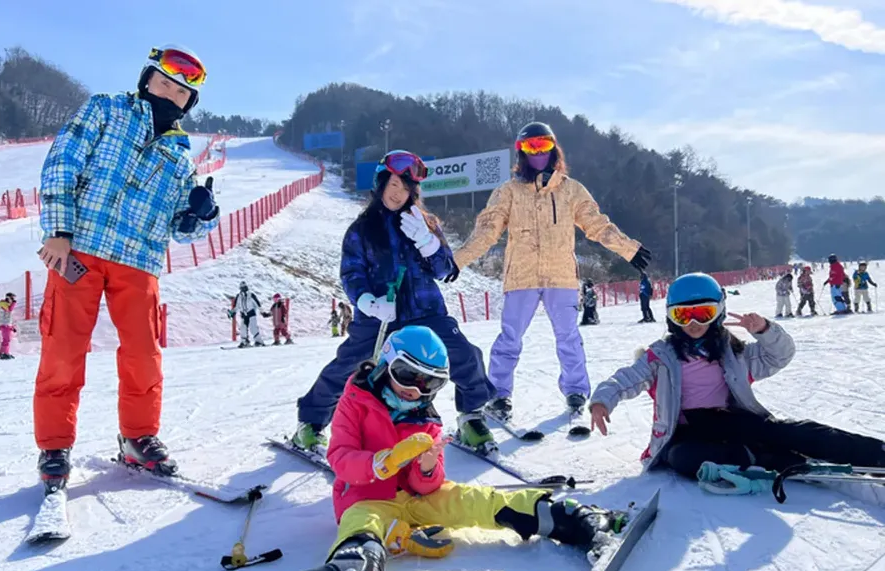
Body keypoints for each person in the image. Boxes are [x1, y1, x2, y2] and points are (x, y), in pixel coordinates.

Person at [273, 325, 631, 571]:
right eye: (407, 375)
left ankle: (565, 518)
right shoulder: (356, 400)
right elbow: (339, 456)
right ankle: (355, 563)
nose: (415, 389)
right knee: (360, 519)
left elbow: (426, 484)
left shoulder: (425, 419)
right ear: (386, 363)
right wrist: (380, 463)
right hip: (366, 498)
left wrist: (427, 468)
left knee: (471, 499)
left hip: (416, 501)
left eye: (429, 383)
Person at [33, 44, 217, 489]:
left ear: (187, 105)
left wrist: (199, 214)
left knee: (143, 355)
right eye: (164, 82)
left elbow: (180, 227)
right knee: (63, 349)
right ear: (146, 80)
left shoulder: (180, 158)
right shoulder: (106, 111)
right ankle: (54, 445)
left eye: (180, 93)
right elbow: (62, 163)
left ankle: (138, 437)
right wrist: (58, 229)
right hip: (81, 248)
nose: (169, 93)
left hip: (139, 261)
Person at [586, 272, 885, 480]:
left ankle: (875, 453)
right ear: (671, 317)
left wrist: (766, 331)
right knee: (682, 458)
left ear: (718, 312)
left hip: (732, 420)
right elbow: (625, 379)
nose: (692, 323)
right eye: (683, 315)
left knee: (793, 431)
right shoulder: (660, 356)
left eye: (702, 313)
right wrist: (602, 400)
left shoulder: (734, 352)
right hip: (687, 431)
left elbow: (779, 356)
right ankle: (767, 458)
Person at [292, 150, 494, 455]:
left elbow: (444, 269)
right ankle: (310, 423)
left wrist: (428, 243)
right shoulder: (362, 230)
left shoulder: (425, 223)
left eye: (405, 188)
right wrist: (367, 302)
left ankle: (471, 416)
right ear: (380, 185)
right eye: (392, 186)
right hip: (378, 317)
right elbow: (351, 272)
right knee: (349, 366)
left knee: (465, 355)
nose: (397, 194)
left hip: (426, 313)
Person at [453, 122, 650, 427]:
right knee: (509, 339)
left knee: (568, 337)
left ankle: (575, 391)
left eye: (543, 145)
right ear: (521, 153)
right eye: (531, 147)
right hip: (521, 277)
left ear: (554, 149)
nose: (538, 153)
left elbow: (596, 224)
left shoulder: (571, 190)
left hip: (561, 278)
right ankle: (499, 394)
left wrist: (628, 249)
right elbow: (486, 232)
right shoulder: (508, 192)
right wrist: (457, 260)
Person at [230, 281, 266, 348]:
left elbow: (257, 304)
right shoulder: (239, 296)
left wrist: (262, 312)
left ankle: (259, 341)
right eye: (242, 288)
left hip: (251, 313)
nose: (244, 289)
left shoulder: (251, 295)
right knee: (243, 328)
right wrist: (233, 312)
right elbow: (236, 306)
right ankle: (244, 341)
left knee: (253, 328)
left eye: (245, 287)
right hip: (243, 314)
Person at [0, 292, 18, 360]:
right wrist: (14, 303)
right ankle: (4, 353)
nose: (12, 300)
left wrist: (12, 327)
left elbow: (7, 317)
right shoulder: (3, 304)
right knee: (6, 340)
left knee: (6, 340)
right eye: (12, 298)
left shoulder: (5, 305)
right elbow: (9, 310)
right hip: (4, 325)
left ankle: (4, 353)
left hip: (7, 325)